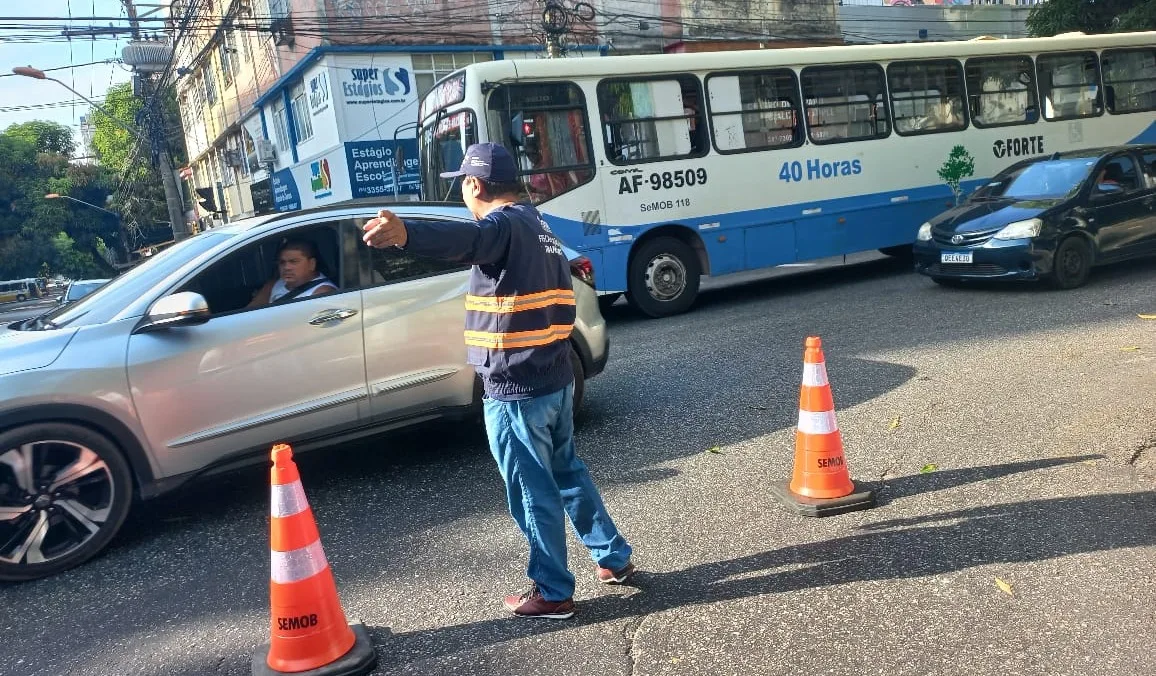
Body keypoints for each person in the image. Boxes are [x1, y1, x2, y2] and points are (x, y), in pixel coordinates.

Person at [362, 142, 634, 620]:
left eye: (462, 186)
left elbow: (465, 241)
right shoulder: (538, 224)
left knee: (531, 489)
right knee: (567, 472)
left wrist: (406, 232)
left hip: (516, 388)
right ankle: (612, 556)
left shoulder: (503, 226)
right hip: (553, 378)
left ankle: (552, 591)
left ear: (474, 184)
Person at [247, 238, 337, 308]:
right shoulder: (273, 284)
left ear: (312, 264)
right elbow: (247, 314)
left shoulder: (322, 292)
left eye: (294, 261)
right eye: (282, 262)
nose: (286, 267)